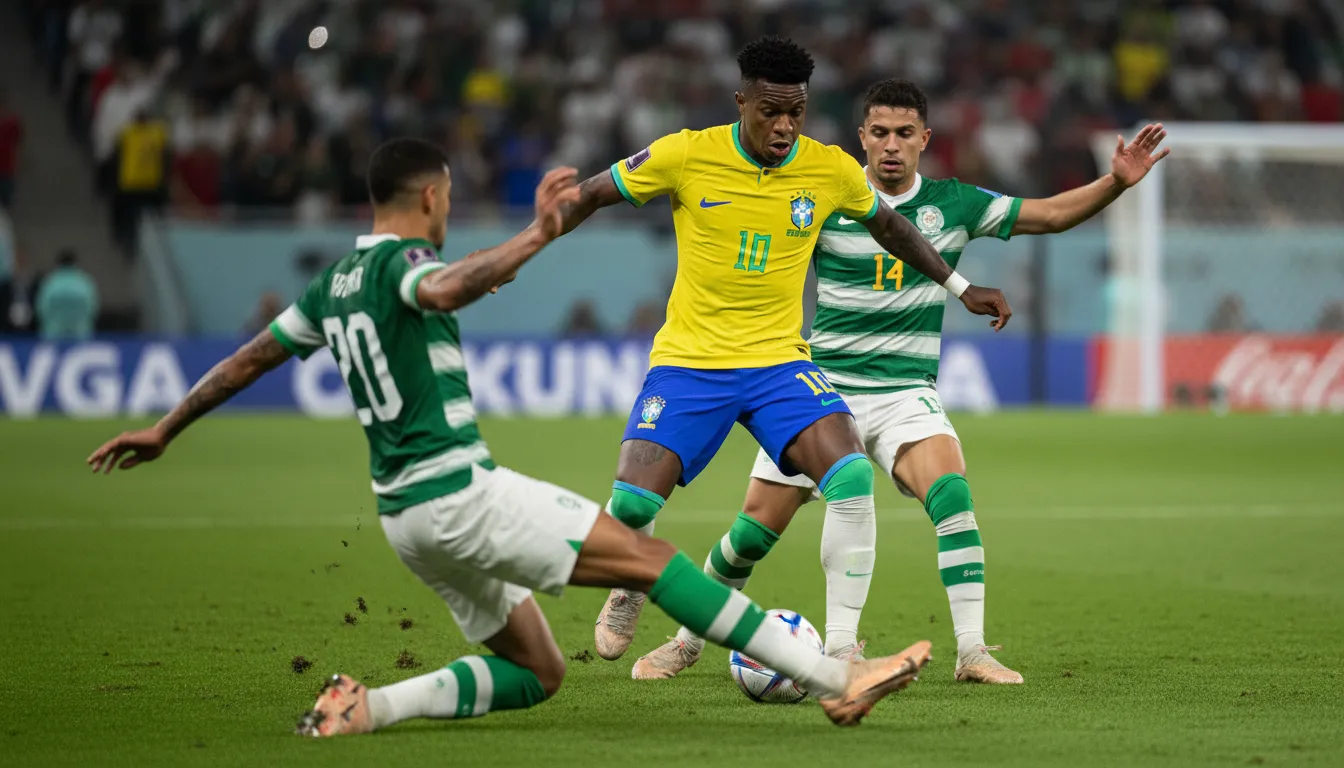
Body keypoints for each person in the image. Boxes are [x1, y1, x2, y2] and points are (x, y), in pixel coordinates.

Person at [85, 138, 933, 736]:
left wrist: (165, 427)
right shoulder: (405, 269)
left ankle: (364, 708)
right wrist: (538, 233)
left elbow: (243, 363)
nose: (449, 208)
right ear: (429, 198)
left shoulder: (333, 283)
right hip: (463, 497)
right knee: (654, 562)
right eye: (448, 197)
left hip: (406, 524)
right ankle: (836, 676)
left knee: (536, 673)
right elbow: (444, 287)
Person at [629, 79, 1171, 684]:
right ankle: (686, 641)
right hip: (817, 391)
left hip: (905, 393)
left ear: (925, 139)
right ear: (862, 138)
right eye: (879, 133)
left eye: (904, 134)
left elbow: (1046, 216)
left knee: (953, 495)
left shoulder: (955, 203)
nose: (891, 146)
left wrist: (1115, 183)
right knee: (751, 536)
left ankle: (971, 652)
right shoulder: (826, 192)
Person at [543, 37, 1012, 665]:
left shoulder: (828, 168)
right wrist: (523, 248)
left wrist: (958, 286)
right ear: (742, 103)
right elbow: (594, 193)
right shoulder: (686, 153)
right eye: (771, 111)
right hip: (691, 360)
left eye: (797, 112)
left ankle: (842, 652)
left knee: (849, 477)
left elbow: (894, 228)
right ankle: (632, 579)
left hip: (779, 364)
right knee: (632, 503)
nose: (785, 126)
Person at [35, 249, 99, 341]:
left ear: (58, 264)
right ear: (75, 263)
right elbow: (93, 308)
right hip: (80, 336)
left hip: (53, 336)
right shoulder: (85, 282)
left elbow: (41, 308)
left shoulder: (50, 282)